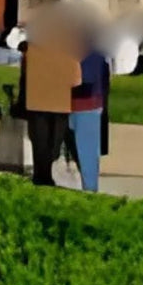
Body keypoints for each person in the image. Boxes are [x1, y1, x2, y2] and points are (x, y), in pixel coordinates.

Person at [20, 15, 81, 187]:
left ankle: (41, 176)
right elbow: (76, 79)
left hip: (37, 100)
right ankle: (45, 175)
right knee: (53, 143)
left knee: (39, 141)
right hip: (60, 102)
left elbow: (25, 74)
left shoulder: (32, 48)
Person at [69, 44, 110, 193]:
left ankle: (90, 190)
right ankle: (90, 190)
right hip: (85, 96)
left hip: (84, 96)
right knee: (87, 151)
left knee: (86, 151)